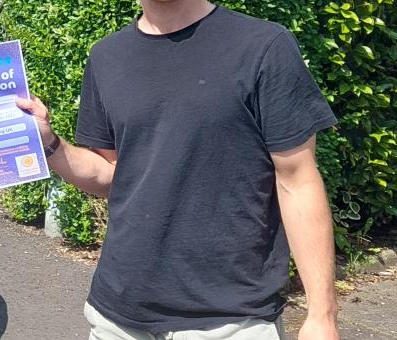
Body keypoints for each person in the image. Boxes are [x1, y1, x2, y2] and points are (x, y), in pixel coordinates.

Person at [17, 0, 340, 339]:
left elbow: (298, 181)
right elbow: (111, 174)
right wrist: (49, 143)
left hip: (229, 319)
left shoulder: (263, 46)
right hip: (118, 316)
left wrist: (322, 315)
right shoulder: (107, 56)